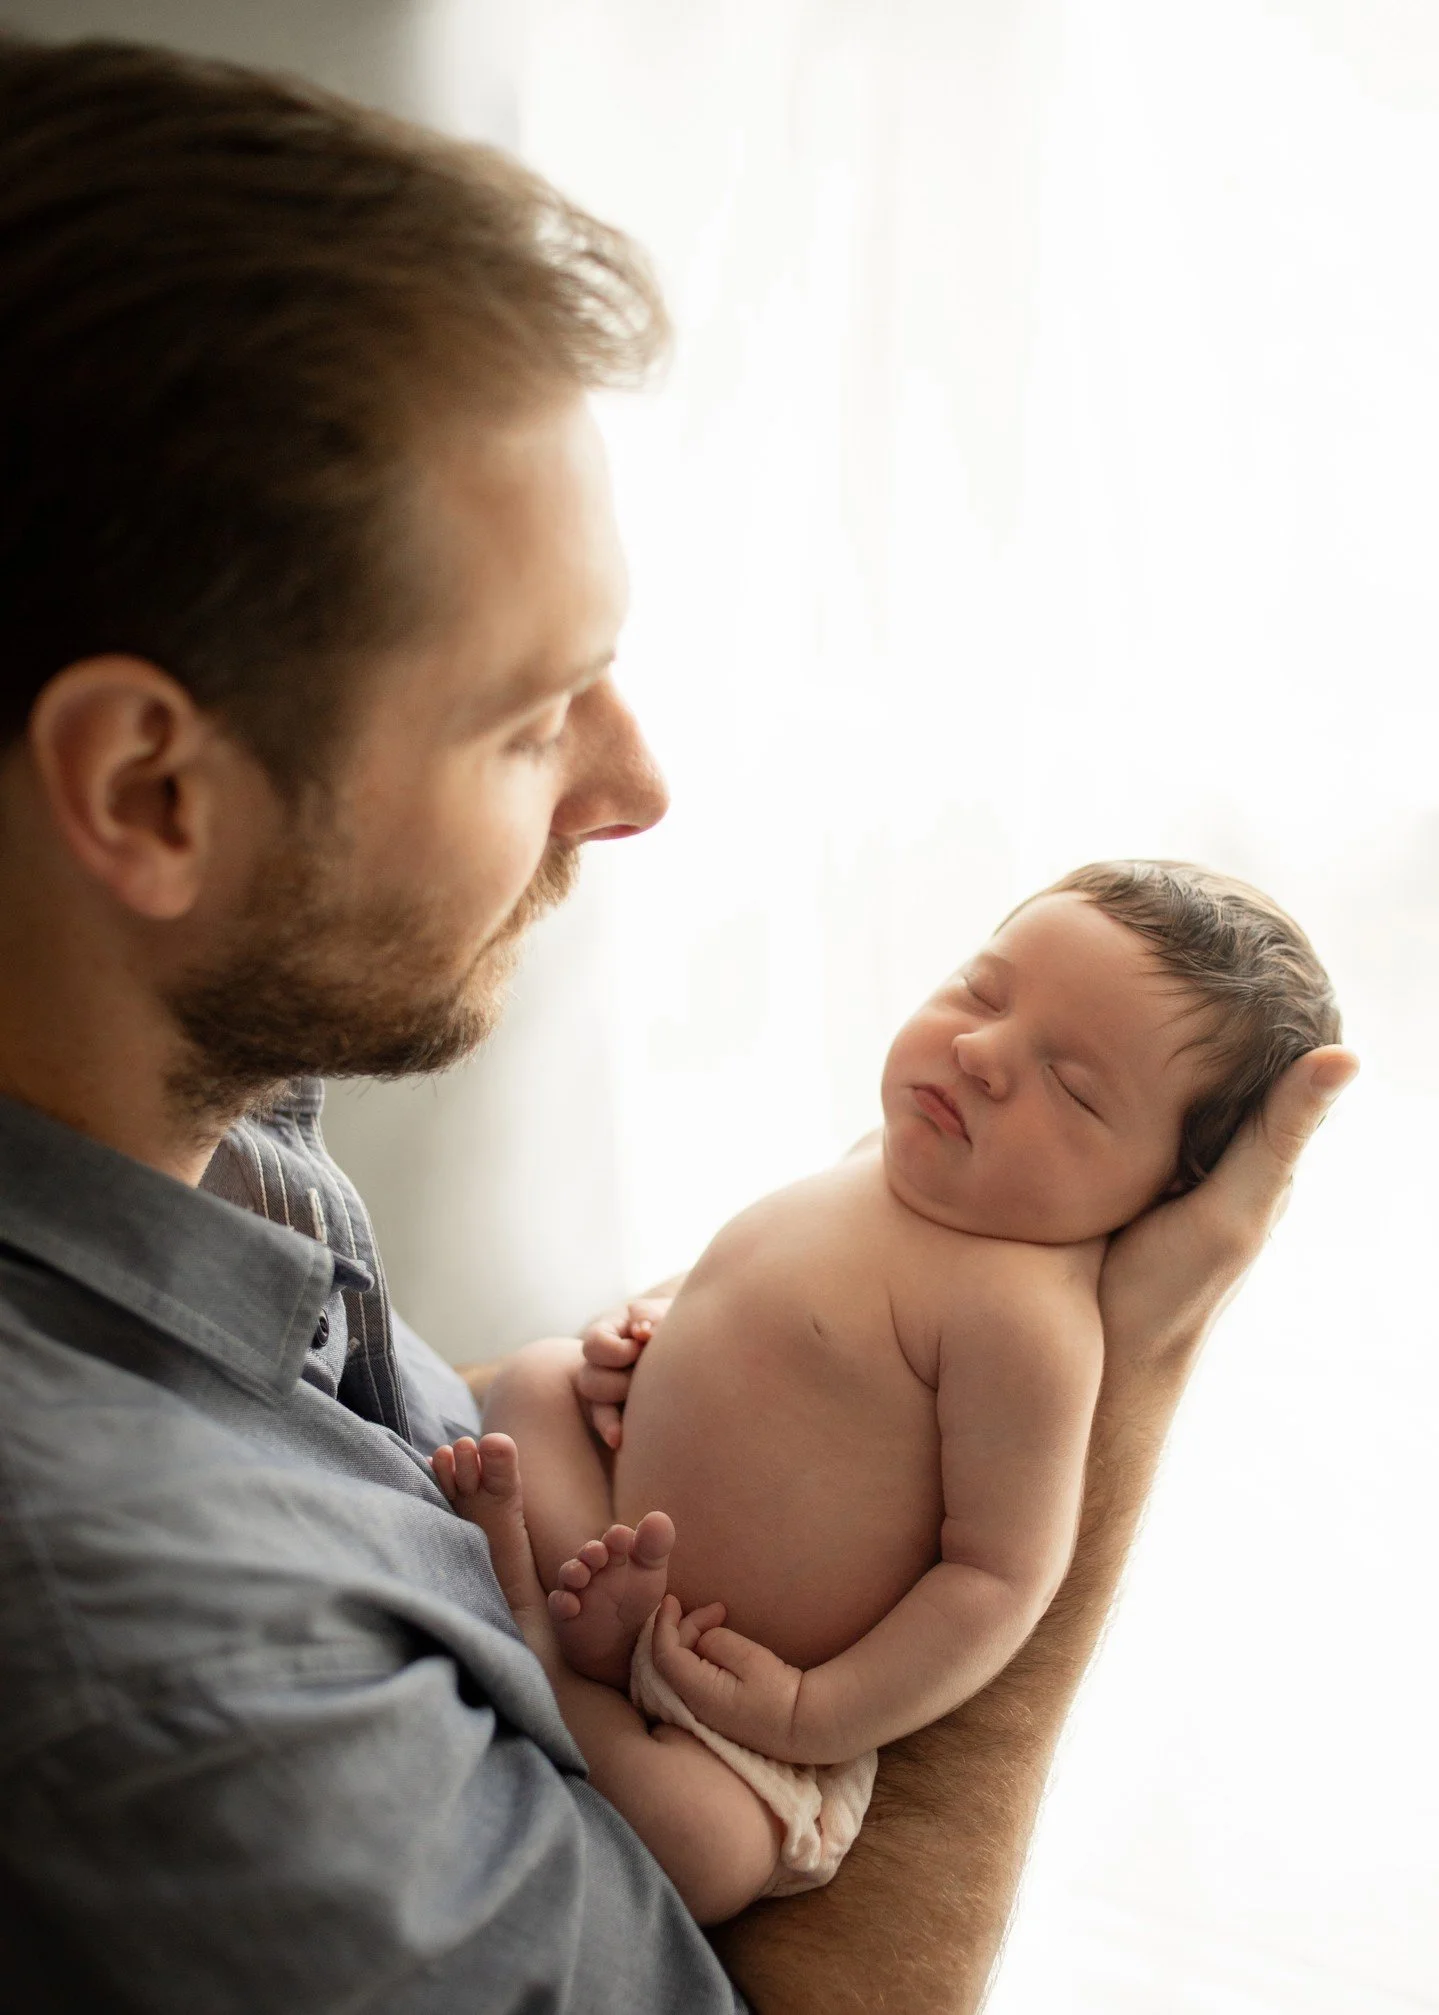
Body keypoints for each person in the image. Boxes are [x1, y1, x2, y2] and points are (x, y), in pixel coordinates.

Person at [0, 29, 1356, 2015]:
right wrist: (1114, 1373)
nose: (633, 786)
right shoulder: (165, 1682)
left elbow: (300, 1463)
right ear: (147, 793)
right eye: (531, 711)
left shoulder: (173, 1095)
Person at [433, 861, 1341, 1916]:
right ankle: (590, 1618)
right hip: (617, 1517)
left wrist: (813, 1713)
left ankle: (548, 1651)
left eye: (1074, 1086)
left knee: (717, 1853)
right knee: (539, 1375)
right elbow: (733, 1284)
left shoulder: (1027, 1319)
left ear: (1161, 1191)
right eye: (981, 988)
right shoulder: (880, 1153)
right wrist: (639, 1330)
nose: (981, 1051)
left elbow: (998, 1576)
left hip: (733, 1695)